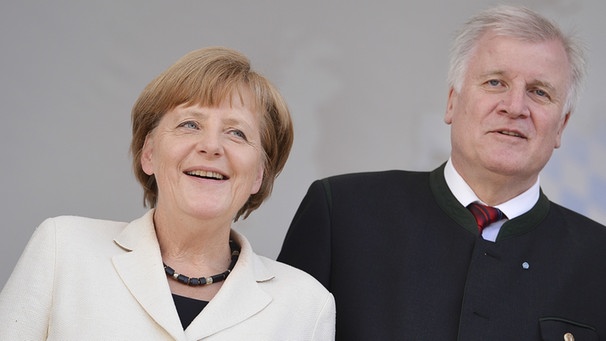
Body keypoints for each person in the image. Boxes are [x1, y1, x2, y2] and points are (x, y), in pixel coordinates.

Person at [278, 5, 606, 340]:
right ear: (452, 102)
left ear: (562, 125)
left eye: (539, 92)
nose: (515, 107)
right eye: (495, 82)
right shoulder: (342, 215)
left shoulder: (599, 261)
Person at [0, 47, 335, 340]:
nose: (211, 146)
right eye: (190, 124)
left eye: (236, 132)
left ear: (259, 175)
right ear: (149, 153)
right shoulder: (63, 249)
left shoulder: (306, 305)